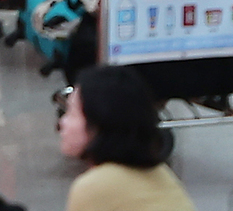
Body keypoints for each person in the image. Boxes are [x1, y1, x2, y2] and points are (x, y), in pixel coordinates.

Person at [60, 64, 196, 211]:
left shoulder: (95, 187)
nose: (62, 122)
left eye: (72, 113)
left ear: (100, 122)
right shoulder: (161, 172)